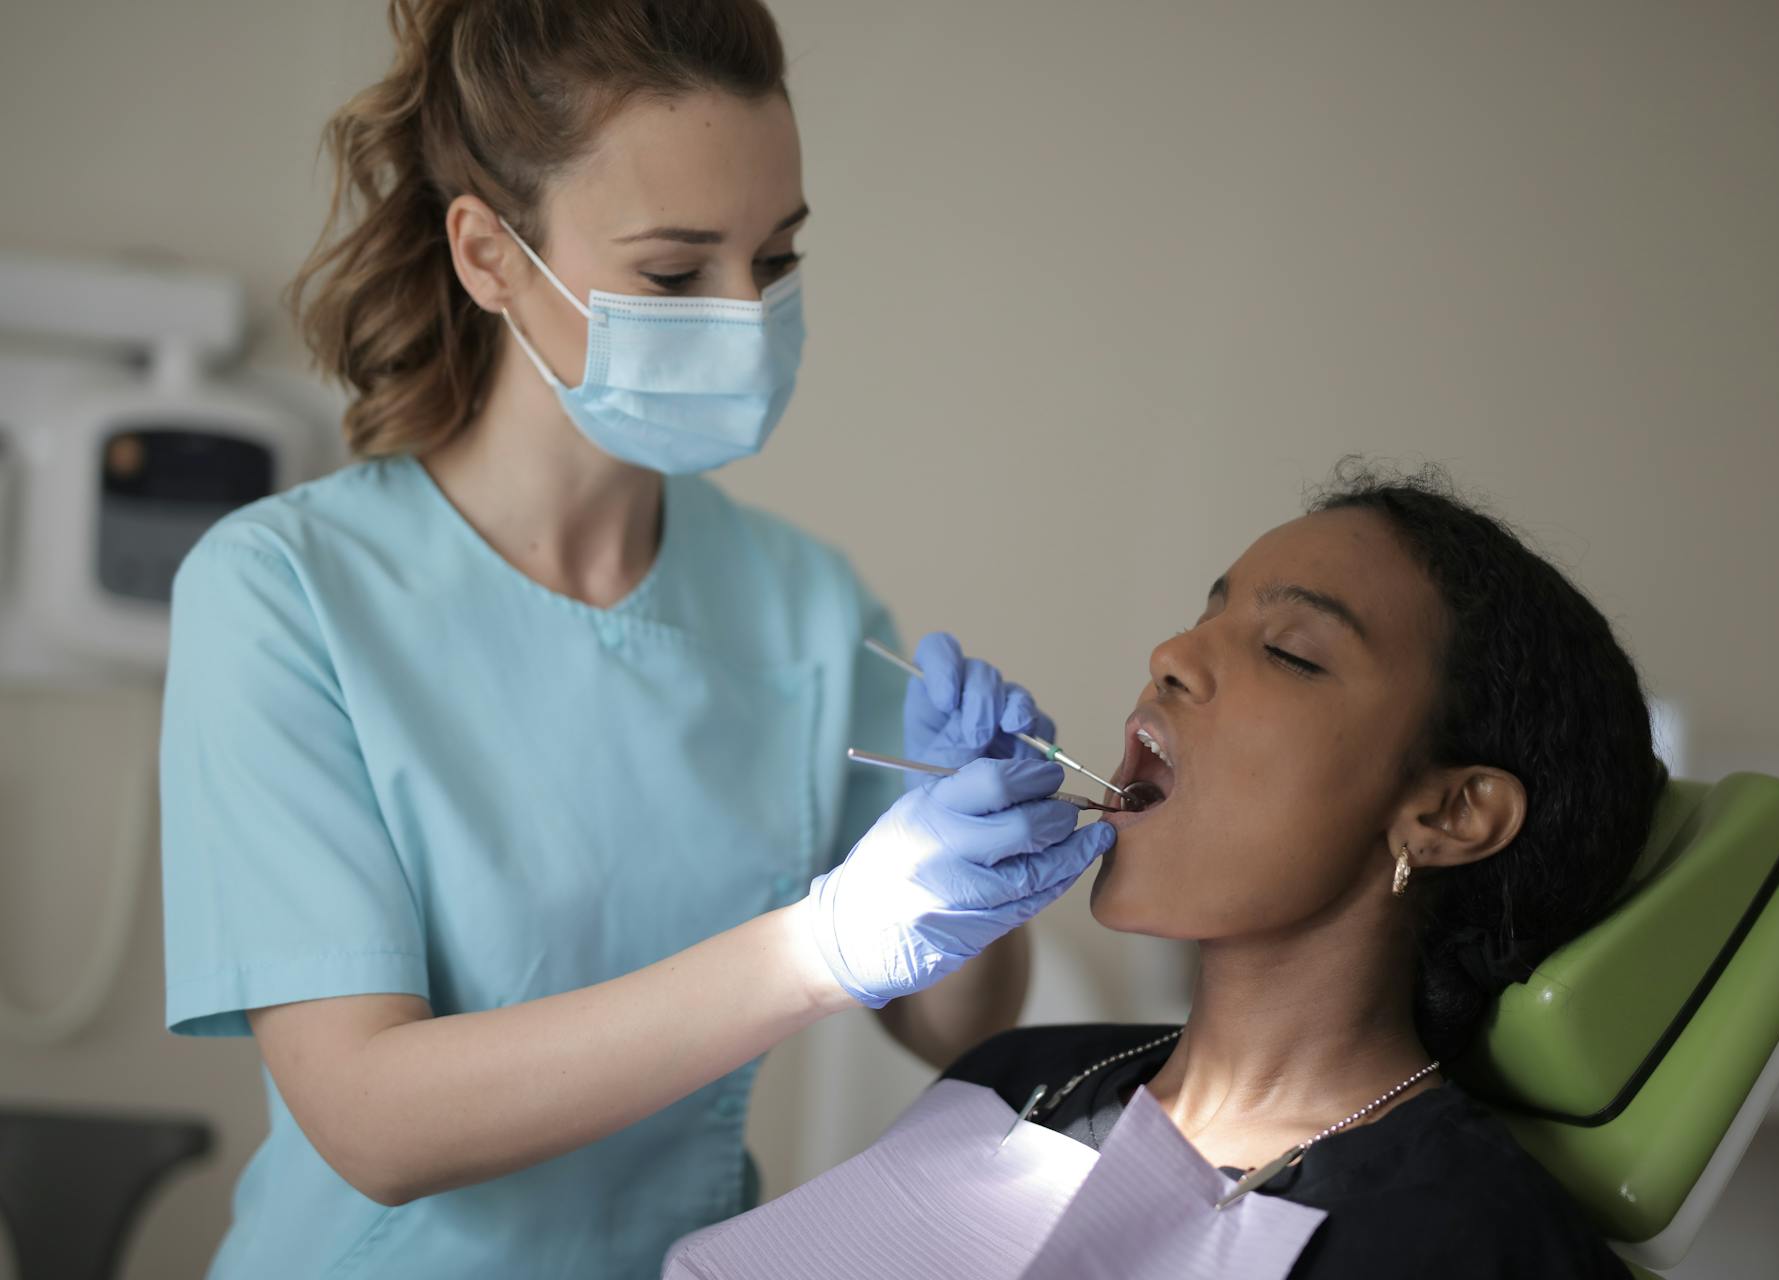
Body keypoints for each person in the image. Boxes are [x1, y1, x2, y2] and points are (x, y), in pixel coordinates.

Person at [156, 2, 1111, 1275]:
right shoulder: (285, 592)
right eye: (674, 273)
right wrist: (820, 945)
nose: (744, 315)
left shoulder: (802, 605)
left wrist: (978, 861)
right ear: (491, 256)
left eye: (773, 262)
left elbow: (953, 1030)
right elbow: (369, 1118)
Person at [698, 462, 1658, 1277]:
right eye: (1206, 616)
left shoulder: (1467, 1241)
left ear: (1450, 811)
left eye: (1288, 652)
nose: (1172, 656)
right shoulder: (1014, 1077)